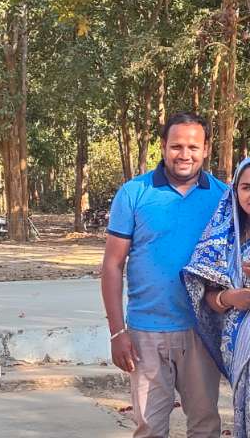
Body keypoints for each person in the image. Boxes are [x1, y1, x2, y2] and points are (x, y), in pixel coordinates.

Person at [101, 111, 227, 438]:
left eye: (193, 147)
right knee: (150, 429)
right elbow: (112, 265)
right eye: (176, 146)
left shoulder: (222, 197)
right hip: (146, 333)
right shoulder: (134, 193)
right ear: (163, 146)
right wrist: (117, 333)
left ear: (206, 149)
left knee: (205, 426)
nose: (184, 154)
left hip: (202, 331)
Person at [182, 157, 250, 438]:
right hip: (242, 354)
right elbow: (203, 294)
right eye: (246, 187)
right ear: (235, 190)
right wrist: (230, 298)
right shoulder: (225, 237)